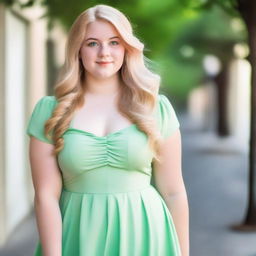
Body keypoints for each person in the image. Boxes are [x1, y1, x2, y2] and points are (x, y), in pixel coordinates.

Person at [26, 4, 189, 256]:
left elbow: (174, 192)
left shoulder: (157, 108)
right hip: (78, 234)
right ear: (77, 50)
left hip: (146, 235)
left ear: (126, 48)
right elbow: (45, 196)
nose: (104, 52)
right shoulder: (50, 111)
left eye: (114, 42)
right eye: (92, 43)